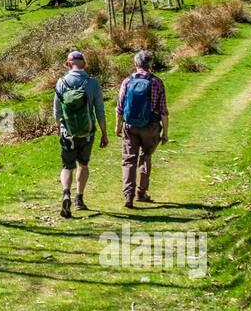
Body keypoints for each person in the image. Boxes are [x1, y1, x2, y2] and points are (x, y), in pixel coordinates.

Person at [52, 49, 108, 216]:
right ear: (84, 63)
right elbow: (100, 111)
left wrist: (59, 128)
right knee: (83, 164)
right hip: (87, 132)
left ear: (68, 64)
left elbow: (56, 112)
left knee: (67, 166)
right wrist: (104, 132)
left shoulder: (61, 82)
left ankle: (66, 193)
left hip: (67, 132)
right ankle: (80, 199)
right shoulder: (92, 83)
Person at [116, 49, 169, 208]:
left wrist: (118, 126)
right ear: (151, 64)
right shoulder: (157, 82)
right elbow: (163, 111)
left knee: (129, 159)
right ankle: (141, 192)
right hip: (151, 126)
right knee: (145, 157)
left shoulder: (127, 81)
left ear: (136, 63)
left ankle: (128, 195)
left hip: (130, 125)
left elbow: (119, 107)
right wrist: (165, 132)